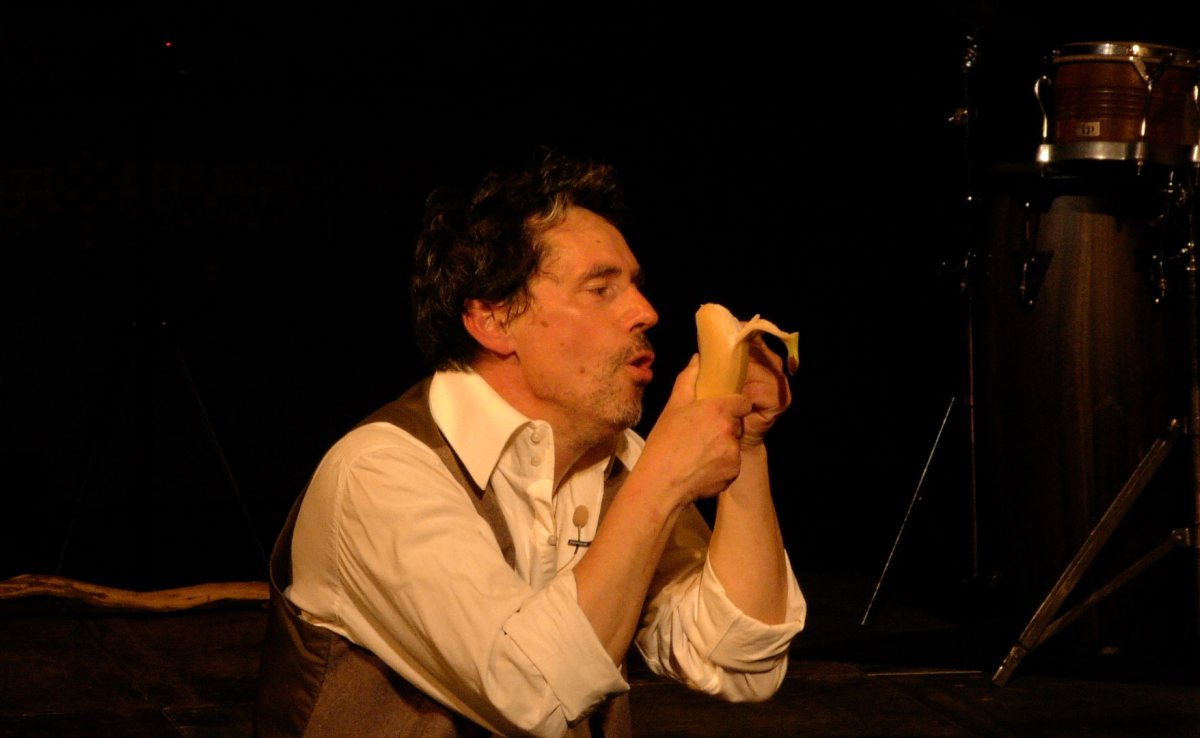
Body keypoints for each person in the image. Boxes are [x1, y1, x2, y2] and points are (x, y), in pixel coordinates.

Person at [254, 154, 806, 738]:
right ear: (493, 318)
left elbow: (739, 662)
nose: (645, 312)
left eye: (636, 287)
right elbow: (532, 690)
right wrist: (664, 479)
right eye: (601, 289)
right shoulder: (380, 474)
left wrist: (743, 445)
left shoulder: (619, 462)